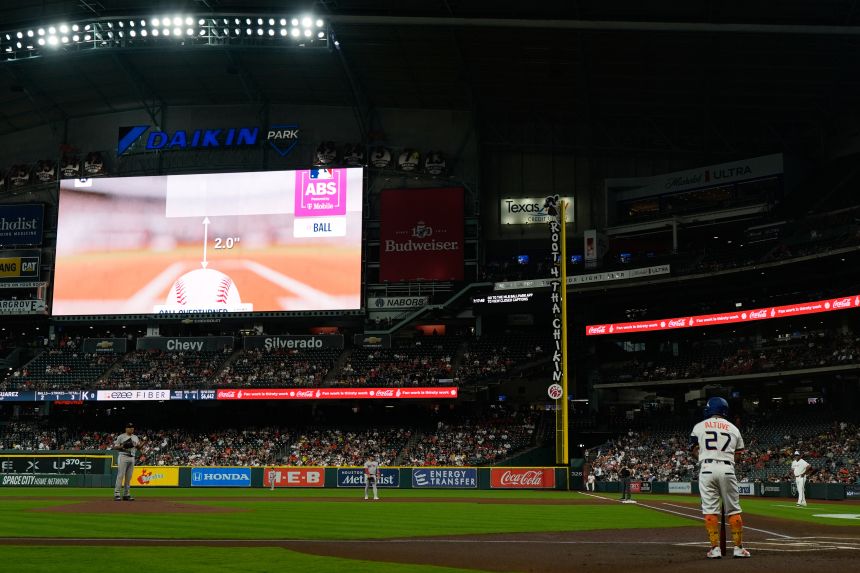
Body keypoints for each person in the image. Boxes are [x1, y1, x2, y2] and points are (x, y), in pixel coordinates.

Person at [690, 397, 750, 559]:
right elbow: (738, 455)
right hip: (727, 469)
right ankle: (738, 548)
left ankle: (714, 549)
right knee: (734, 510)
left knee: (710, 510)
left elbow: (694, 450)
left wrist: (705, 456)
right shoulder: (733, 428)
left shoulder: (699, 426)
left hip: (707, 469)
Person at [113, 422, 141, 501]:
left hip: (132, 457)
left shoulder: (135, 437)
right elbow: (115, 447)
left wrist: (142, 444)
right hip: (123, 456)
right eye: (129, 427)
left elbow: (138, 447)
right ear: (126, 429)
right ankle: (117, 494)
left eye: (132, 427)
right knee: (120, 475)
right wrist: (123, 446)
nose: (131, 428)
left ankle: (126, 494)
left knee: (128, 477)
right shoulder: (121, 436)